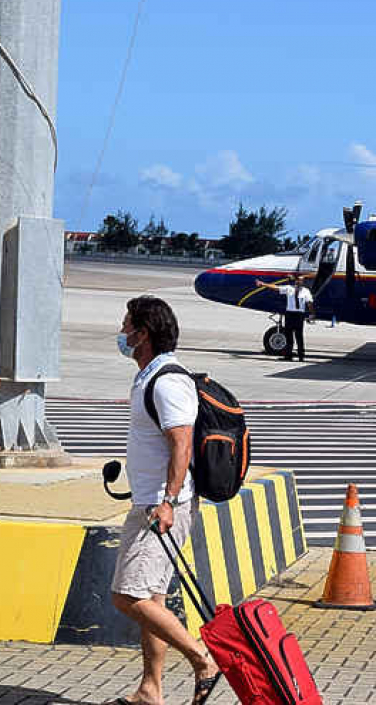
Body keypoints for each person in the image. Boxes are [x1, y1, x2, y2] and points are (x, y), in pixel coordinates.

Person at [109, 296, 220, 705]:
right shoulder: (148, 376)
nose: (122, 333)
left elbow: (182, 444)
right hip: (150, 502)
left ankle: (202, 659)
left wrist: (169, 502)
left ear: (144, 334)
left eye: (127, 326)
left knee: (129, 596)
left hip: (162, 507)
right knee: (152, 599)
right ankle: (150, 690)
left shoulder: (169, 380)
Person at [255, 273, 314, 361]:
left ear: (302, 282)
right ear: (295, 281)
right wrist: (263, 284)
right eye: (298, 280)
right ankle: (288, 355)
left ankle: (301, 356)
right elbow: (276, 287)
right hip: (290, 314)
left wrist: (312, 313)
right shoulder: (289, 288)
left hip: (299, 315)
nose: (299, 282)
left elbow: (309, 302)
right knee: (288, 336)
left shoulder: (306, 291)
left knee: (299, 336)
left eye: (301, 280)